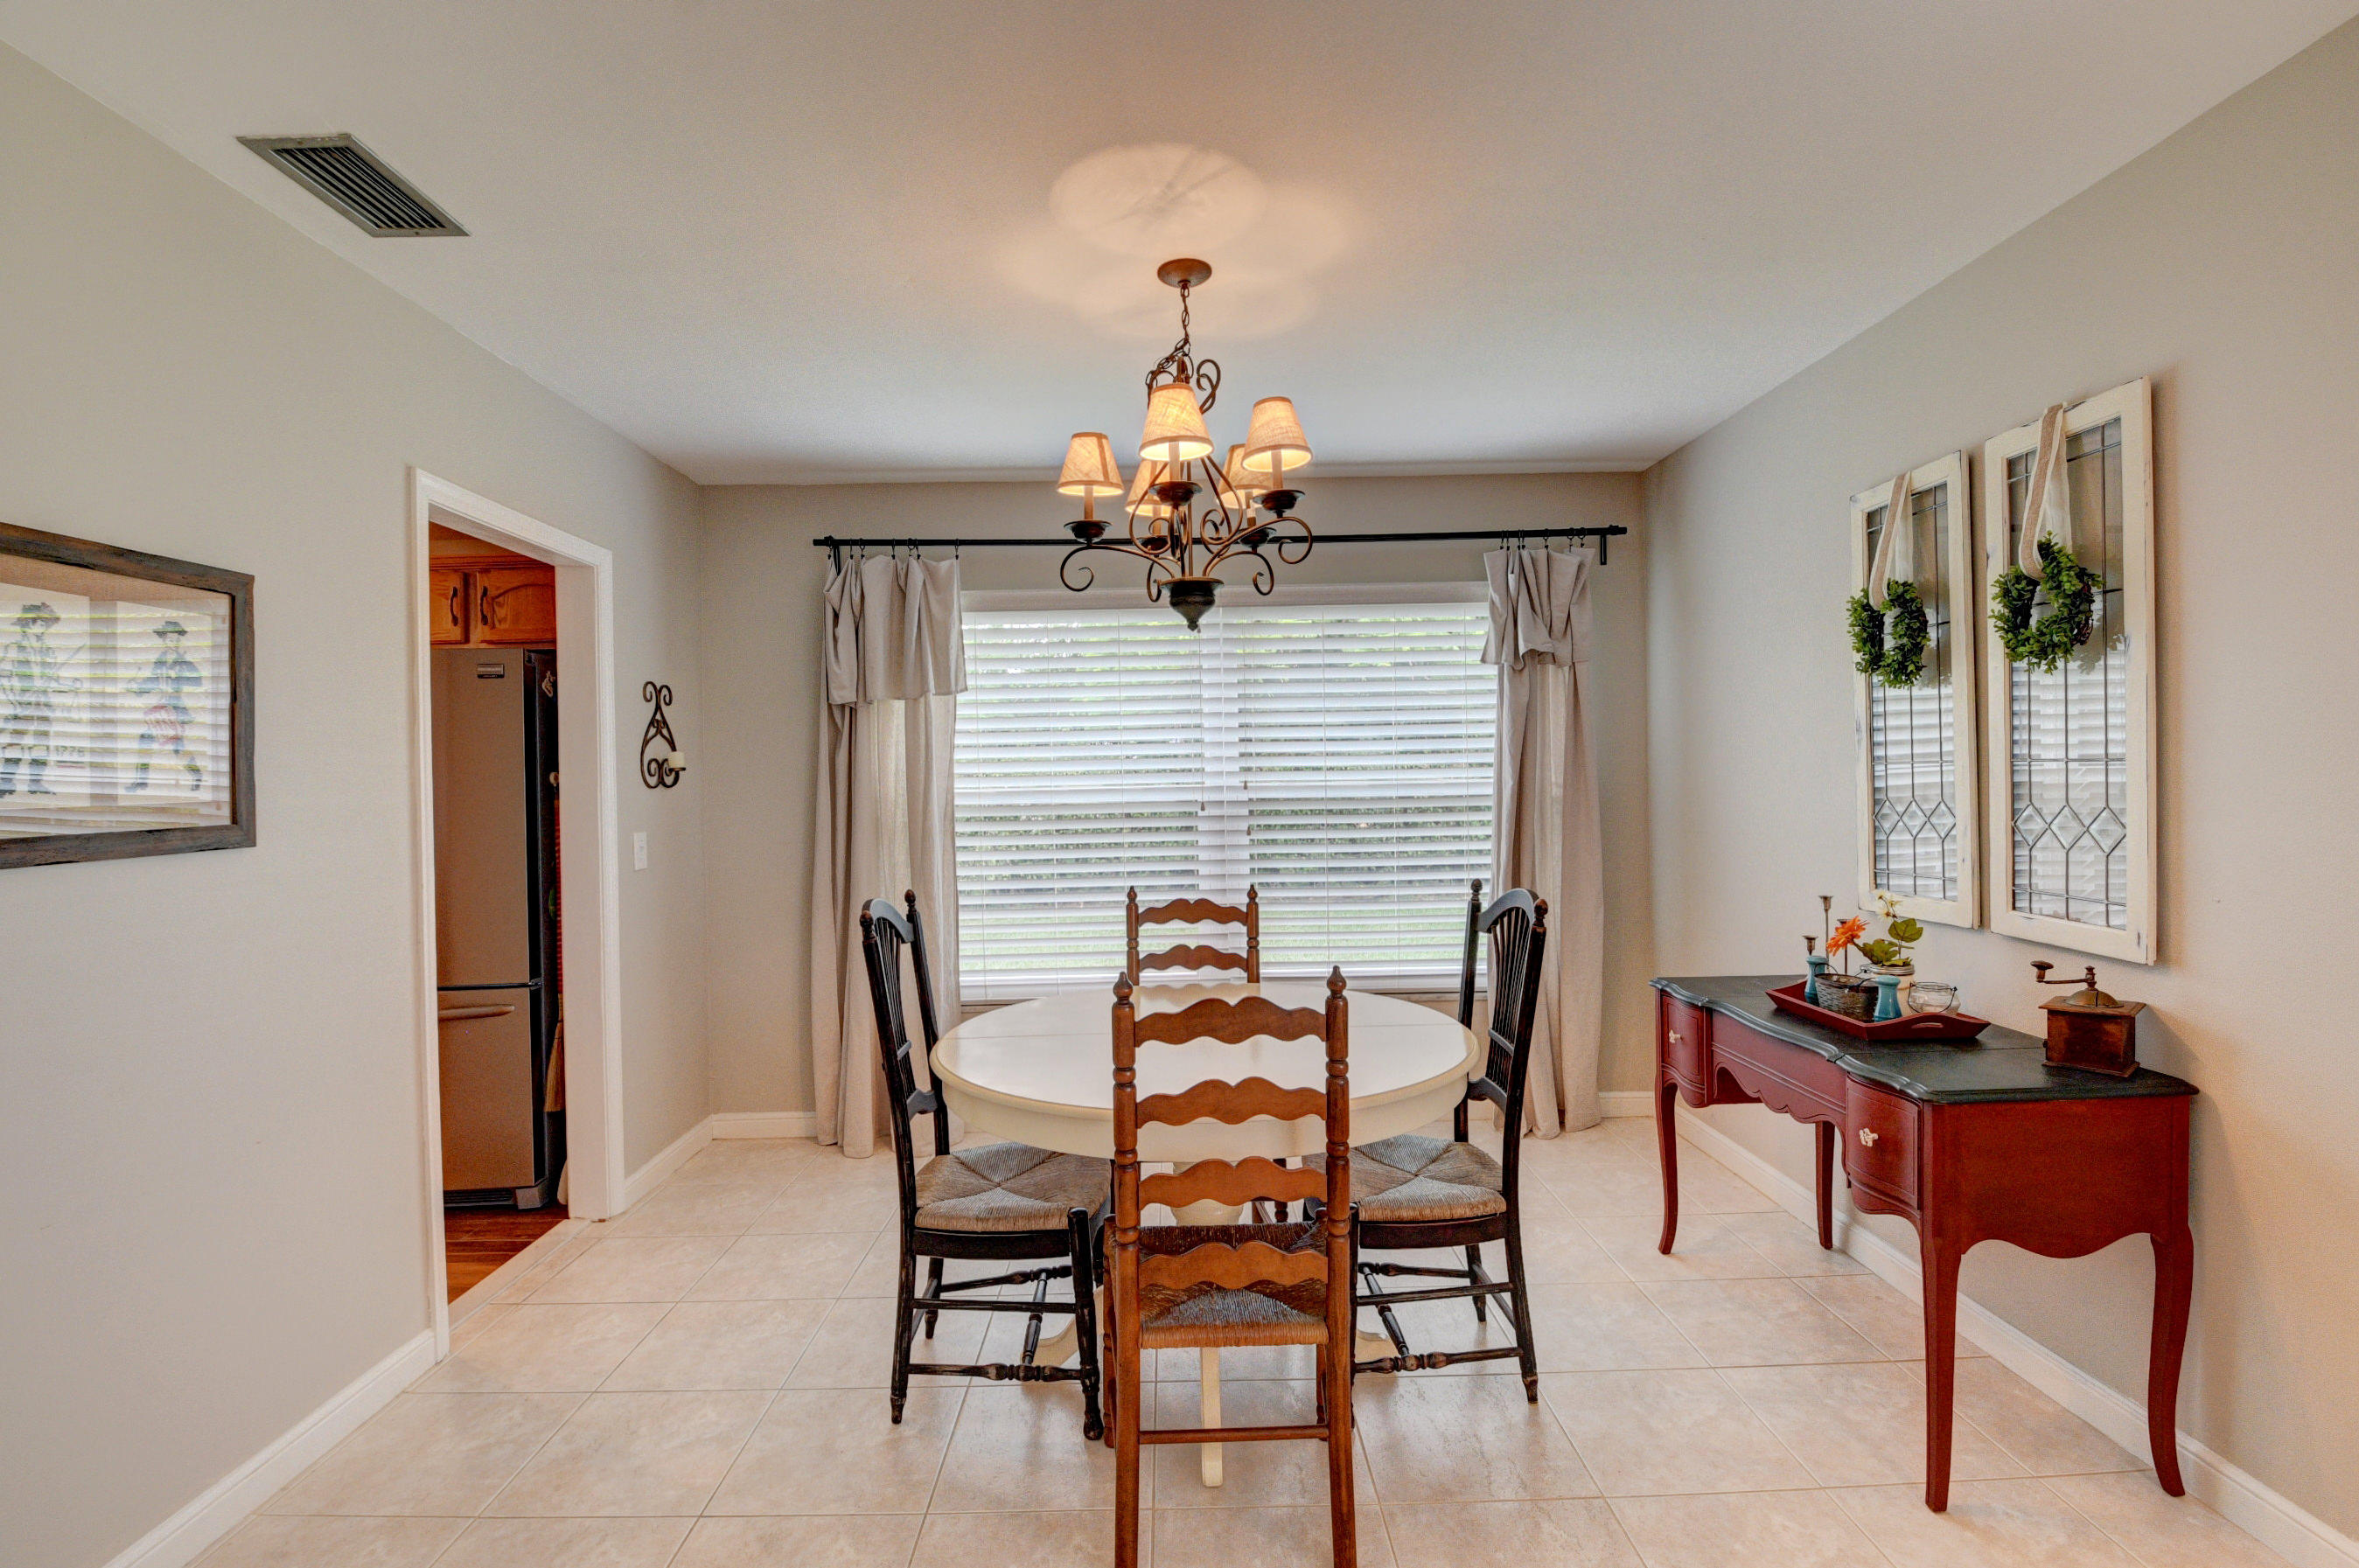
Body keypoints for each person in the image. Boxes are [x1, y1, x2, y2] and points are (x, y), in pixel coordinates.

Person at [0, 602, 71, 798]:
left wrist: (69, 685)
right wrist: (13, 701)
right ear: (29, 623)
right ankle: (5, 782)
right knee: (15, 743)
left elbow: (53, 680)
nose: (43, 626)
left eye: (46, 623)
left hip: (43, 705)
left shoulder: (48, 651)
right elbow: (3, 677)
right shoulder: (15, 648)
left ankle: (36, 783)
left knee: (41, 744)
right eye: (40, 622)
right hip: (22, 704)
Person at [129, 619, 204, 793]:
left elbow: (198, 681)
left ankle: (197, 775)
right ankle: (141, 781)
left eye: (177, 639)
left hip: (175, 710)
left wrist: (177, 677)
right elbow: (153, 681)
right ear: (164, 640)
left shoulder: (183, 662)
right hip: (162, 708)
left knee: (178, 748)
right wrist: (137, 687)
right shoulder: (160, 660)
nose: (174, 643)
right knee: (146, 741)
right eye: (170, 639)